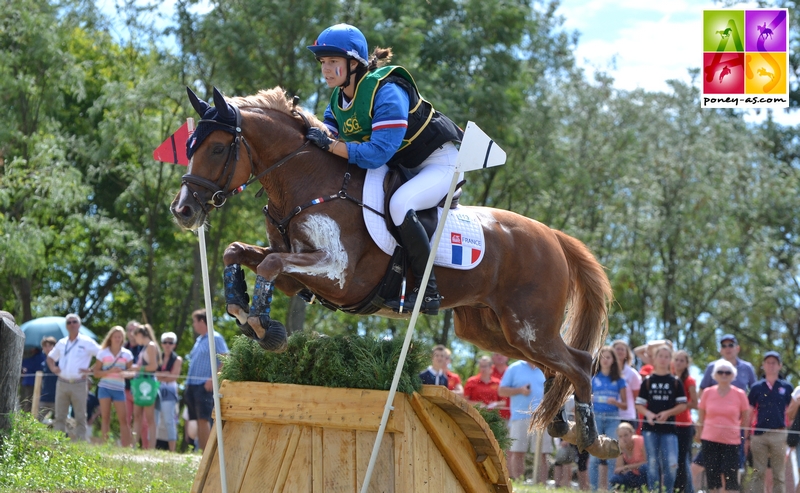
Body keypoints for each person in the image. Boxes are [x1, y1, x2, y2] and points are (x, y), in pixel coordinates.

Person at [306, 23, 464, 315]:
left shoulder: (387, 91)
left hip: (438, 162)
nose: (325, 69)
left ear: (354, 64)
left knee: (401, 204)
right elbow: (328, 138)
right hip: (401, 165)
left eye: (332, 62)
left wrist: (330, 146)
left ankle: (428, 289)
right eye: (323, 63)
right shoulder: (337, 101)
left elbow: (377, 153)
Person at [694, 334, 756, 487]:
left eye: (731, 345)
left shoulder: (747, 368)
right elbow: (701, 398)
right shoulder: (711, 368)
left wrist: (746, 434)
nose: (728, 348)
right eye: (724, 345)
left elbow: (753, 400)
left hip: (735, 433)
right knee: (708, 472)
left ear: (737, 348)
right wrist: (701, 428)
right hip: (711, 433)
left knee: (731, 475)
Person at [635, 344, 687, 493]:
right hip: (650, 429)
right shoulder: (648, 381)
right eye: (660, 356)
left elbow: (683, 405)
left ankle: (668, 490)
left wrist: (668, 413)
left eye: (666, 356)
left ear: (670, 360)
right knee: (652, 463)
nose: (663, 359)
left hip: (669, 429)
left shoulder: (675, 381)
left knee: (671, 464)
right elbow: (639, 404)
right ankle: (653, 491)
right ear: (655, 359)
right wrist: (649, 414)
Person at [696, 359, 749, 493]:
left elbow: (746, 416)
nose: (724, 375)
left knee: (731, 477)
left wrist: (738, 430)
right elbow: (701, 416)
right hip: (710, 440)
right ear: (715, 375)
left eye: (727, 372)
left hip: (731, 441)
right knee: (713, 477)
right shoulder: (707, 392)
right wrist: (699, 433)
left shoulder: (740, 394)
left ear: (733, 375)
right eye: (720, 372)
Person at [46, 313, 100, 441]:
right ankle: (58, 442)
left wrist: (92, 369)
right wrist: (53, 368)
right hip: (62, 382)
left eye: (74, 321)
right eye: (69, 322)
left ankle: (80, 443)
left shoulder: (87, 342)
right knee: (59, 415)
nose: (72, 324)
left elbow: (102, 355)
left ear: (79, 324)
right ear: (66, 326)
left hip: (79, 383)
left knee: (81, 416)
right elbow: (50, 357)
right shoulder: (62, 342)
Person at [498, 359, 553, 483]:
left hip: (542, 418)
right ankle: (518, 482)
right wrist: (520, 390)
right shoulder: (514, 367)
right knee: (517, 452)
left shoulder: (547, 367)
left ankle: (541, 485)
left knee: (543, 454)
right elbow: (501, 391)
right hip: (519, 416)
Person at [747, 351, 794, 493]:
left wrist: (791, 436)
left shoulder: (787, 387)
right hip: (758, 435)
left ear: (780, 366)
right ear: (763, 365)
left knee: (779, 474)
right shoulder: (756, 387)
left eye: (774, 362)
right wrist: (747, 436)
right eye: (768, 362)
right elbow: (749, 412)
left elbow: (791, 412)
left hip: (779, 434)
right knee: (758, 473)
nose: (771, 365)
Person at [185, 309, 228, 451]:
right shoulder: (199, 339)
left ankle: (207, 452)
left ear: (202, 321)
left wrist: (213, 378)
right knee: (197, 420)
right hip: (192, 385)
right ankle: (200, 450)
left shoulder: (215, 337)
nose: (193, 325)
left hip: (204, 385)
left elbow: (225, 358)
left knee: (204, 419)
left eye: (194, 321)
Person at [589, 345, 628, 491]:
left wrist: (616, 402)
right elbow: (583, 398)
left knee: (612, 454)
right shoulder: (592, 378)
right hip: (596, 417)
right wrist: (590, 398)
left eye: (608, 357)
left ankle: (611, 490)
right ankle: (593, 489)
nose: (605, 360)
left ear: (613, 360)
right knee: (593, 456)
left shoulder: (619, 380)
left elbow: (625, 405)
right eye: (603, 357)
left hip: (613, 418)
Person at [92, 325, 133, 446]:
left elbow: (132, 373)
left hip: (119, 389)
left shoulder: (127, 354)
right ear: (110, 337)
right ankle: (105, 445)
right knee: (105, 417)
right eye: (115, 336)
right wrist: (109, 372)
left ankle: (127, 446)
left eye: (119, 337)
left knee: (124, 419)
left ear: (123, 338)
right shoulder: (103, 353)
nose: (117, 339)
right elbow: (96, 373)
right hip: (104, 388)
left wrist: (123, 373)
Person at [131, 324, 160, 449]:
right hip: (140, 383)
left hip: (148, 383)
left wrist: (138, 368)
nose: (135, 340)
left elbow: (153, 366)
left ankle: (152, 446)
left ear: (140, 335)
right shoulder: (144, 348)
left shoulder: (151, 346)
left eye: (135, 336)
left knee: (149, 418)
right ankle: (134, 445)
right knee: (137, 415)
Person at [673, 349, 697, 493]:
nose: (679, 362)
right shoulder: (669, 377)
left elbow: (695, 403)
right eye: (677, 359)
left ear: (687, 363)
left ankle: (686, 490)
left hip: (684, 426)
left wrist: (679, 404)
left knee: (683, 461)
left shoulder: (690, 380)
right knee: (672, 461)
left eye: (682, 360)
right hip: (670, 424)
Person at [156, 331, 183, 452]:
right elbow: (154, 374)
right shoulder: (157, 357)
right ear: (161, 344)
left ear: (174, 345)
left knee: (169, 420)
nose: (167, 345)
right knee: (156, 420)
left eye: (170, 342)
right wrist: (165, 374)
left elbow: (174, 377)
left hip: (170, 392)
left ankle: (172, 450)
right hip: (156, 390)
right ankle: (153, 447)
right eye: (165, 342)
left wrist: (161, 375)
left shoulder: (177, 359)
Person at [123, 320, 148, 448]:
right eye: (130, 330)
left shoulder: (144, 347)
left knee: (143, 421)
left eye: (135, 330)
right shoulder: (123, 348)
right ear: (127, 333)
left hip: (141, 388)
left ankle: (145, 448)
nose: (132, 333)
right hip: (125, 388)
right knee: (126, 419)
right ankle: (127, 447)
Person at [609, 422, 648, 491]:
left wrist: (627, 467)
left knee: (643, 468)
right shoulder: (620, 446)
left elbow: (646, 462)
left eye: (626, 435)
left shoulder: (640, 441)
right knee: (615, 479)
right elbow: (618, 469)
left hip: (644, 475)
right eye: (620, 436)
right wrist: (621, 450)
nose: (623, 438)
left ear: (632, 433)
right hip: (632, 475)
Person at [612, 340, 642, 428]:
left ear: (627, 353)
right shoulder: (604, 372)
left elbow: (637, 397)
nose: (620, 351)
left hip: (627, 416)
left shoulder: (633, 374)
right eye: (617, 349)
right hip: (608, 416)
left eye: (622, 349)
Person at [19, 346, 46, 413]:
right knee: (28, 400)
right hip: (30, 382)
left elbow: (31, 364)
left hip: (32, 383)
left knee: (29, 401)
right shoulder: (40, 356)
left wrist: (21, 360)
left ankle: (28, 415)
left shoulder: (39, 357)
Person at [38, 336, 58, 421]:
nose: (47, 348)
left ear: (54, 347)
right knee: (37, 420)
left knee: (62, 422)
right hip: (44, 397)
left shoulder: (60, 361)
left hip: (58, 397)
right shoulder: (43, 363)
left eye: (50, 345)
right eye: (45, 346)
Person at [490, 353, 511, 420]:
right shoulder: (487, 371)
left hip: (511, 415)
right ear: (492, 358)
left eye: (502, 354)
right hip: (491, 415)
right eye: (496, 354)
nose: (499, 356)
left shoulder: (513, 371)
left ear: (507, 357)